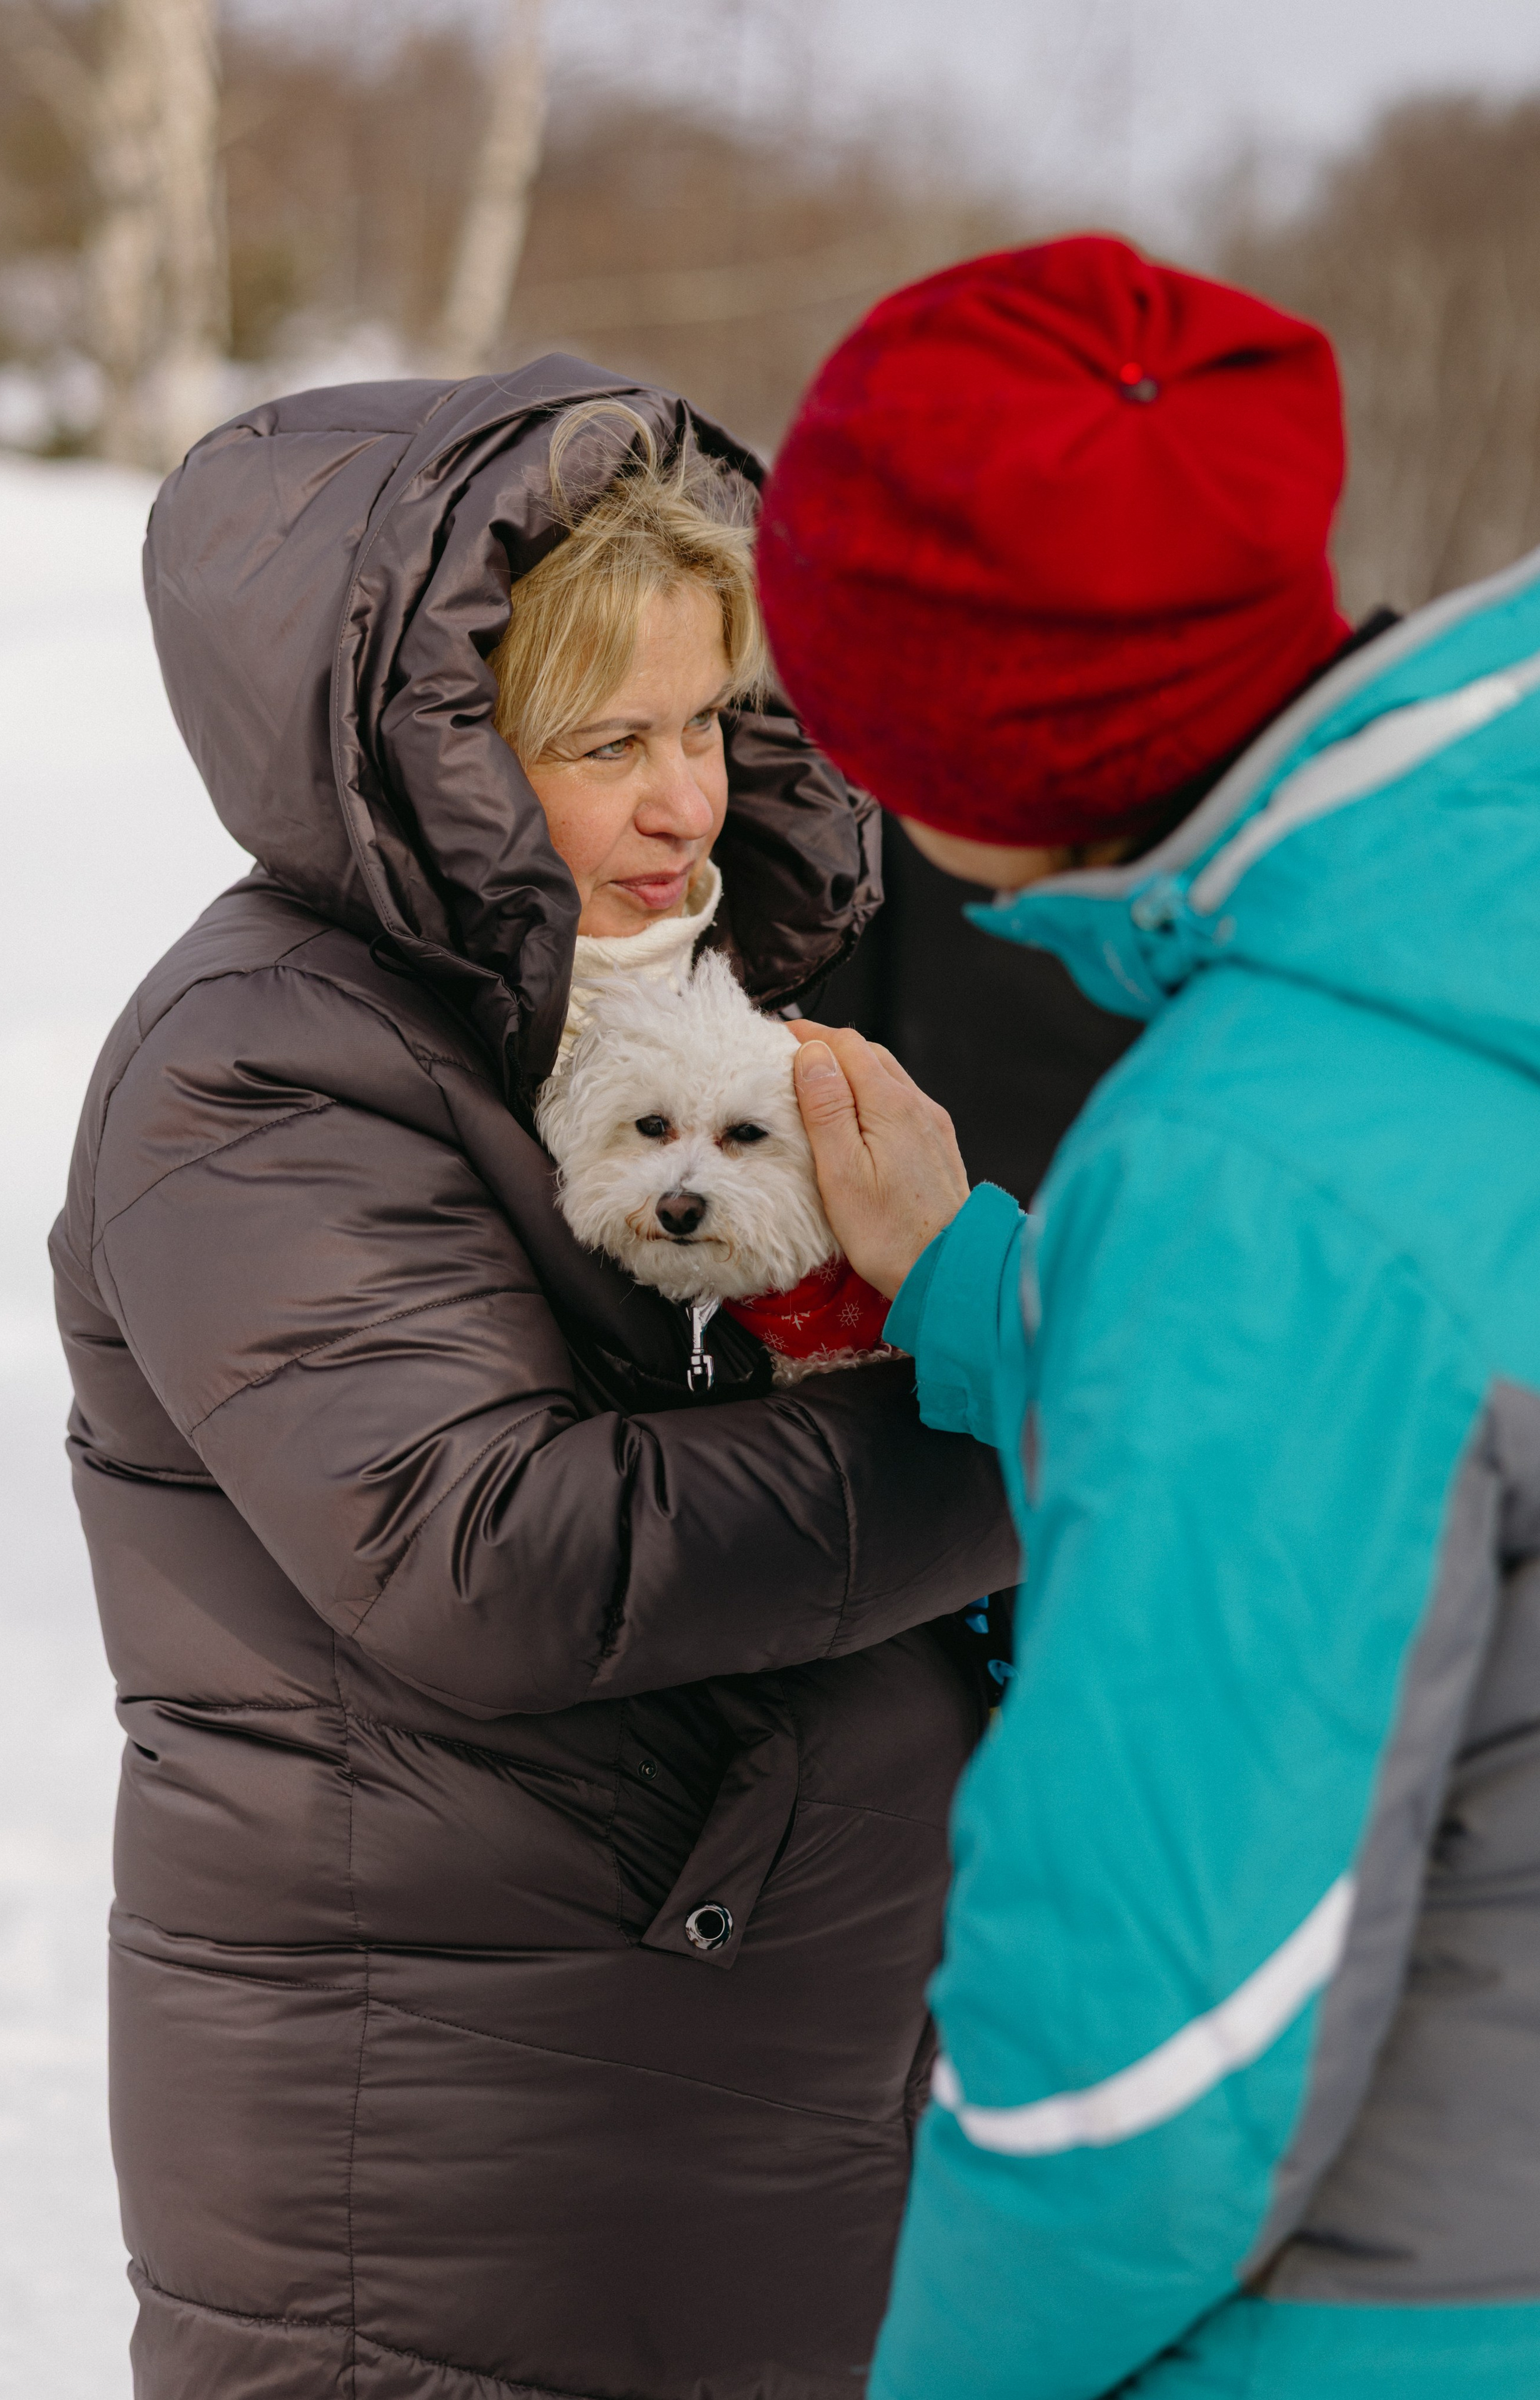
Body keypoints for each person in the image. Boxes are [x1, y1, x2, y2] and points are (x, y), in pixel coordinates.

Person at [50, 362, 1016, 2400]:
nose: (685, 801)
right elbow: (485, 1551)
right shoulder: (264, 1065)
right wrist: (1016, 1421)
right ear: (441, 757)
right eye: (605, 742)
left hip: (680, 2142)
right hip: (444, 2193)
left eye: (708, 722)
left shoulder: (645, 1007)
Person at [758, 234, 1540, 2399]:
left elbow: (1154, 2073)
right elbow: (1454, 1348)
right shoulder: (1477, 924)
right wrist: (978, 1285)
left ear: (948, 734)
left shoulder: (1255, 1176)